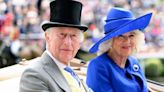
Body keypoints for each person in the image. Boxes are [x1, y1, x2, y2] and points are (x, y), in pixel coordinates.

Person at [19, 0, 92, 92]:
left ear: (79, 43)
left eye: (73, 36)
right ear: (47, 37)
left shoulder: (73, 75)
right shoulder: (34, 75)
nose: (68, 42)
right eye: (62, 35)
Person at [86, 7, 152, 92]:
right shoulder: (98, 66)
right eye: (121, 36)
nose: (127, 41)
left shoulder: (133, 62)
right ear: (110, 41)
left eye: (131, 35)